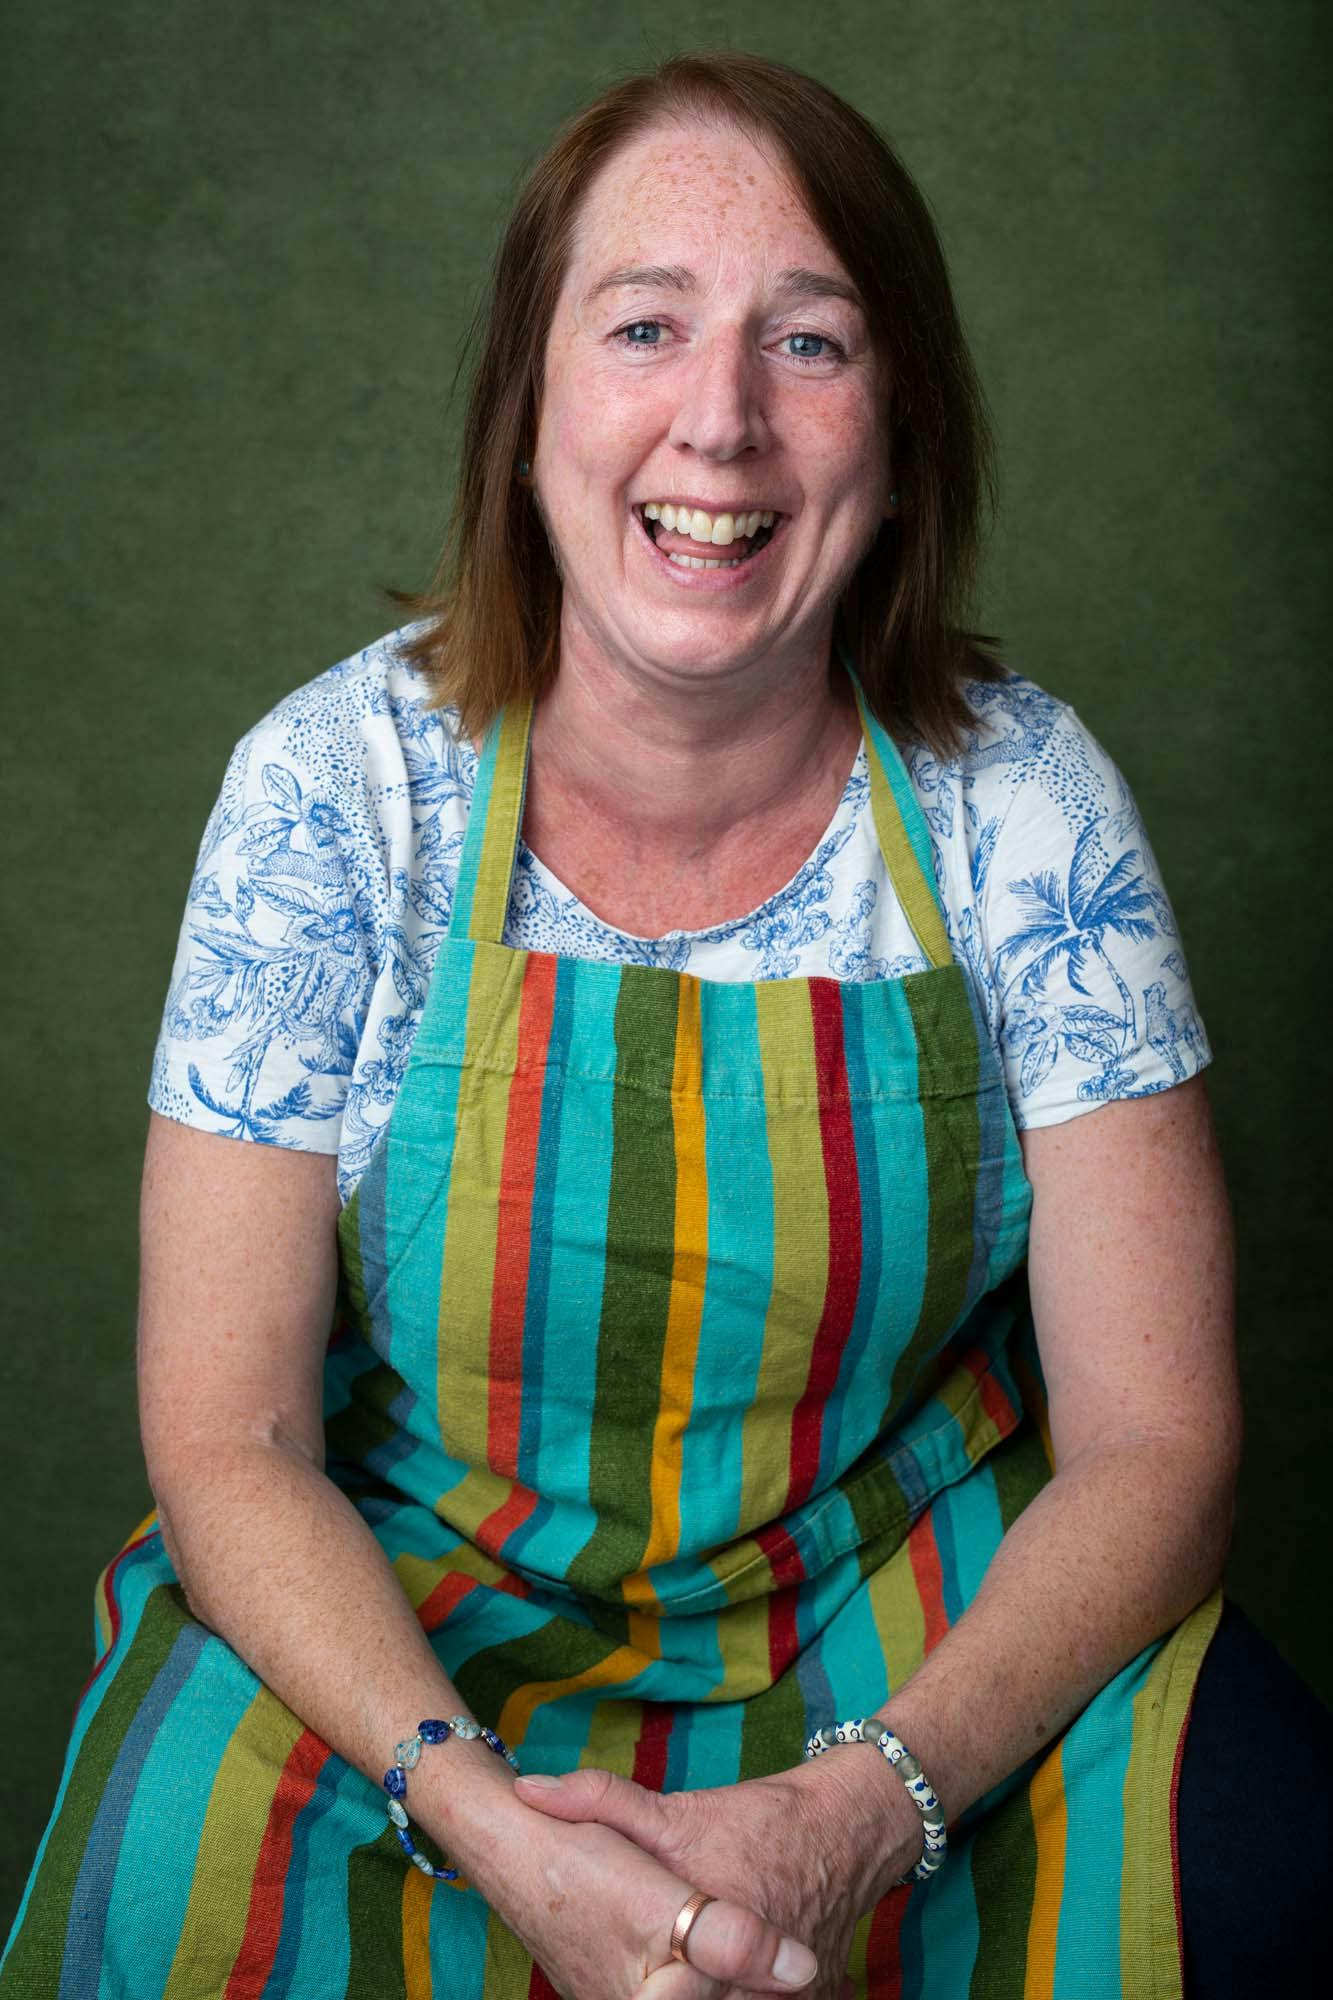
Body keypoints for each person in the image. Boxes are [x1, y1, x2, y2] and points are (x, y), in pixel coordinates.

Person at [9, 45, 1324, 2000]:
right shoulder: (332, 793)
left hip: (906, 1613)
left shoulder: (1023, 804)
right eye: (643, 326)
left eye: (809, 341)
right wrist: (481, 1817)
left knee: (1276, 1873)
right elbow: (231, 1430)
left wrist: (864, 1808)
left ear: (901, 426)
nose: (719, 421)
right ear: (525, 403)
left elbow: (1158, 1441)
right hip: (406, 1637)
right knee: (156, 1922)